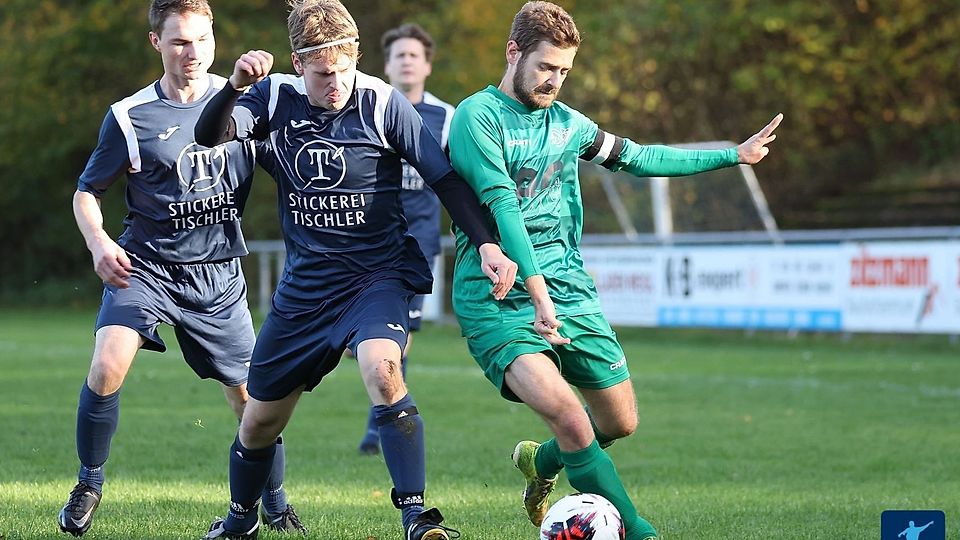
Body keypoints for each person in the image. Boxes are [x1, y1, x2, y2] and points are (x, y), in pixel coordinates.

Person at [447, 3, 783, 540]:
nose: (554, 80)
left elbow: (639, 158)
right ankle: (640, 531)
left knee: (618, 422)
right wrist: (537, 292)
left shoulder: (568, 124)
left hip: (570, 288)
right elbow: (503, 205)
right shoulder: (476, 116)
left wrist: (732, 155)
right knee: (570, 415)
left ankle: (541, 462)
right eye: (545, 67)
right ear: (513, 53)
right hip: (499, 294)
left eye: (564, 71)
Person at [193, 1, 516, 538]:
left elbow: (444, 178)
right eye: (323, 74)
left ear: (358, 57)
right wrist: (232, 87)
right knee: (259, 422)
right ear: (298, 63)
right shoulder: (272, 96)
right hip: (305, 289)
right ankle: (241, 518)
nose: (335, 84)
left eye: (344, 70)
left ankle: (415, 515)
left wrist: (486, 244)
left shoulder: (384, 103)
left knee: (383, 368)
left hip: (376, 276)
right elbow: (209, 135)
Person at [56, 1, 303, 536]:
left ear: (215, 37)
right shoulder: (130, 115)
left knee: (252, 401)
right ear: (156, 43)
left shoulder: (245, 102)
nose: (193, 52)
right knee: (107, 364)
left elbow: (290, 164)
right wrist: (99, 242)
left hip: (217, 276)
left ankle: (275, 501)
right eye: (179, 42)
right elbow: (86, 191)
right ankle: (88, 483)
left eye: (202, 40)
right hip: (145, 267)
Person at [355, 22, 454, 456]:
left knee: (401, 335)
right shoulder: (367, 108)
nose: (407, 62)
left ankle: (381, 425)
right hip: (366, 241)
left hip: (418, 245)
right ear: (387, 65)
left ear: (427, 65)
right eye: (400, 55)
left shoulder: (447, 117)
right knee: (365, 337)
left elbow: (456, 181)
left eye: (415, 55)